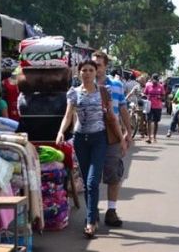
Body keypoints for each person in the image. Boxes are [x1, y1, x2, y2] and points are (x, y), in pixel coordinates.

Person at [55, 60, 123, 238]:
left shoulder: (103, 91)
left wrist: (122, 138)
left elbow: (111, 117)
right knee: (86, 183)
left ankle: (91, 221)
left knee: (93, 181)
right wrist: (61, 132)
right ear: (78, 73)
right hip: (80, 140)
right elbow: (68, 115)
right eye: (83, 70)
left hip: (99, 139)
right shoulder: (74, 93)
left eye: (90, 70)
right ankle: (92, 216)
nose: (87, 73)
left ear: (96, 72)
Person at [92, 50, 132, 227]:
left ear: (106, 66)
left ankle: (111, 211)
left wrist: (128, 133)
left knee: (113, 175)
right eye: (93, 65)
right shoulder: (83, 85)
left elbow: (122, 109)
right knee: (90, 178)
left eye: (98, 65)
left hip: (112, 136)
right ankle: (91, 213)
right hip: (90, 136)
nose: (95, 69)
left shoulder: (116, 85)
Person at [143, 73, 165, 143]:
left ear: (158, 80)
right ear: (152, 79)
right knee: (148, 121)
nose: (155, 81)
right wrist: (146, 97)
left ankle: (154, 137)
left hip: (158, 106)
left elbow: (164, 97)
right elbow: (144, 93)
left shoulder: (161, 87)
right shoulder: (148, 85)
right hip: (149, 106)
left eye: (156, 80)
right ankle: (149, 137)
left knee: (156, 122)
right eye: (154, 79)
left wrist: (160, 97)